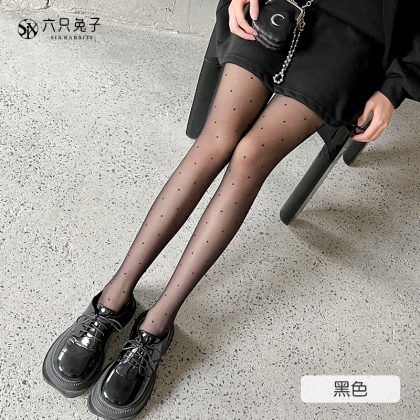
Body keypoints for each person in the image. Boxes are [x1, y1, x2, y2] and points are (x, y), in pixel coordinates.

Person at [42, 0, 420, 418]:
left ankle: (158, 323)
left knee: (251, 155)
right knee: (216, 140)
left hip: (358, 34)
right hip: (284, 5)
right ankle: (114, 297)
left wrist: (393, 87)